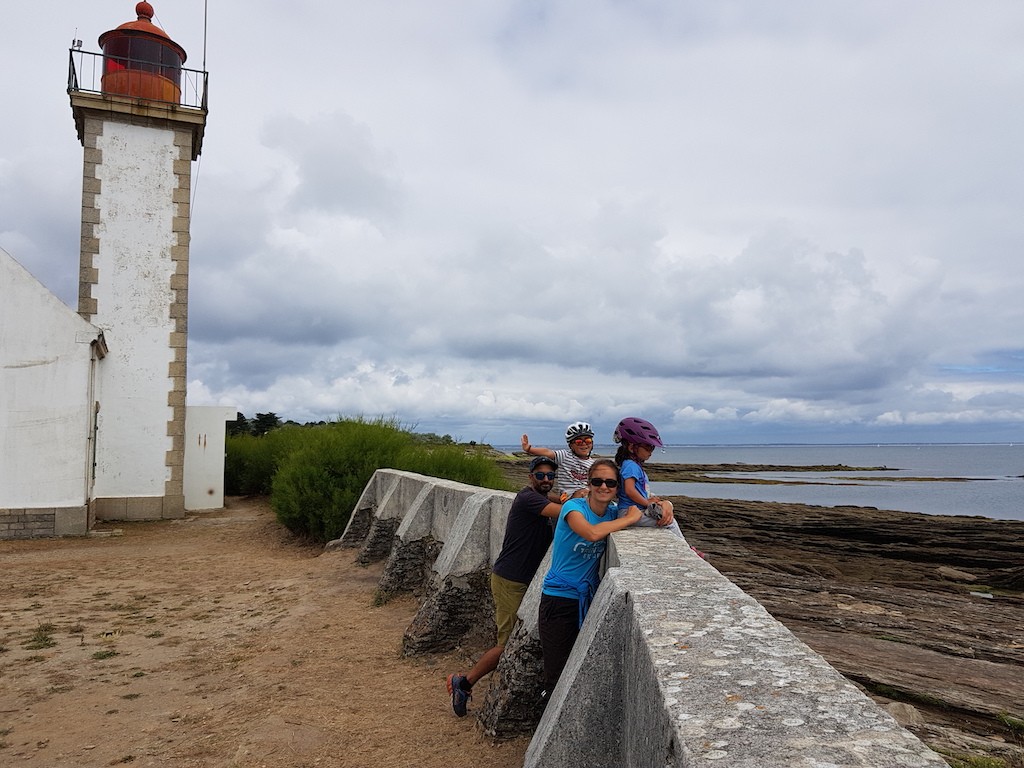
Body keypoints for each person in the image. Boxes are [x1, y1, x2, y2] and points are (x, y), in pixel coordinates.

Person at [446, 456, 562, 717]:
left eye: (550, 476)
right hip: (510, 580)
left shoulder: (542, 497)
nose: (545, 480)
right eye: (540, 475)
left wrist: (568, 496)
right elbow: (562, 511)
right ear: (530, 476)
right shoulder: (527, 498)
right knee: (507, 643)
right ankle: (463, 683)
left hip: (522, 579)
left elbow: (557, 501)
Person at [537, 459, 643, 695]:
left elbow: (650, 506)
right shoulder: (573, 508)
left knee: (579, 669)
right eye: (598, 481)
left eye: (611, 483)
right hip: (559, 600)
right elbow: (592, 533)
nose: (604, 487)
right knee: (557, 673)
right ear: (589, 483)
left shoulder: (613, 512)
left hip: (587, 598)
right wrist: (629, 519)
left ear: (617, 488)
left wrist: (666, 505)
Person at [612, 417, 684, 539]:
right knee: (670, 523)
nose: (650, 452)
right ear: (631, 447)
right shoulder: (630, 465)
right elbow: (629, 490)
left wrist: (650, 499)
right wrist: (647, 503)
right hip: (629, 512)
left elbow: (638, 489)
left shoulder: (633, 465)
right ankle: (688, 550)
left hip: (632, 510)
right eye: (648, 447)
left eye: (652, 448)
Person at [521, 421, 596, 501]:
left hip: (586, 497)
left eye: (588, 440)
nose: (584, 444)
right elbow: (548, 452)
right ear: (571, 445)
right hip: (568, 496)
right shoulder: (565, 456)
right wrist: (529, 449)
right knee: (584, 492)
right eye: (578, 442)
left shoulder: (593, 464)